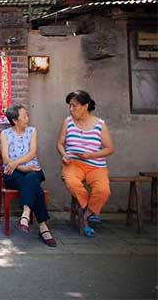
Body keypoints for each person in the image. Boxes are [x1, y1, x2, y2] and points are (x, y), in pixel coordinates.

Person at [57, 90, 115, 237]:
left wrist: (91, 155)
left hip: (96, 165)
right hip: (73, 163)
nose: (71, 109)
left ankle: (86, 215)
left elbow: (110, 149)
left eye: (74, 106)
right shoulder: (68, 121)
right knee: (71, 182)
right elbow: (60, 144)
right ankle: (91, 212)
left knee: (103, 190)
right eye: (69, 106)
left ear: (85, 106)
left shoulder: (100, 124)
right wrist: (64, 155)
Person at [0, 104, 57, 247]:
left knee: (32, 177)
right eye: (24, 116)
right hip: (13, 173)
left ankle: (25, 213)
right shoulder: (5, 134)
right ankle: (43, 227)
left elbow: (32, 153)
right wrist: (22, 168)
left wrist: (16, 163)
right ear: (15, 120)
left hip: (30, 169)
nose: (27, 118)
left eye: (27, 115)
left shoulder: (32, 131)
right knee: (33, 182)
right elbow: (6, 158)